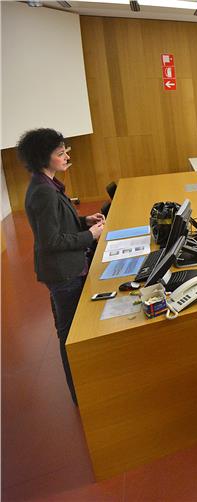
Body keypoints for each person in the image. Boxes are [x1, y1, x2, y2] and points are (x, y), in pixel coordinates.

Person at [20, 128, 105, 404]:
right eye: (60, 153)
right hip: (63, 271)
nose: (67, 156)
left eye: (65, 151)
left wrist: (84, 221)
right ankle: (79, 395)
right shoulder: (43, 192)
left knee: (71, 330)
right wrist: (89, 236)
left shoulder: (48, 184)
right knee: (70, 335)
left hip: (67, 267)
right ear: (42, 159)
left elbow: (59, 225)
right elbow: (51, 241)